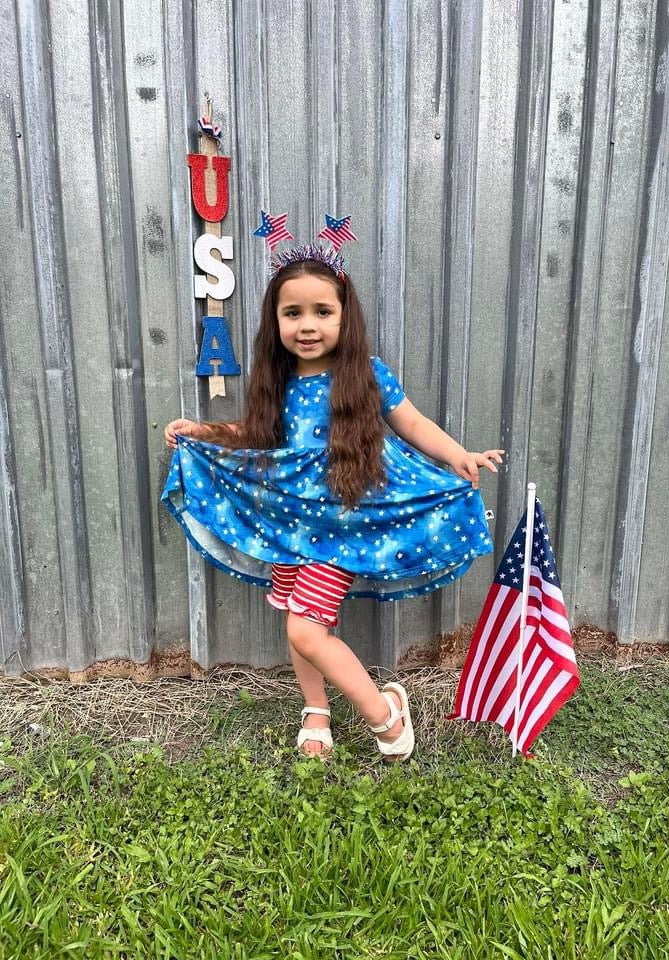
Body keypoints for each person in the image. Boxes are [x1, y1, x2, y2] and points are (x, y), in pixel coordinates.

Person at [162, 240, 503, 764]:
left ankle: (385, 712)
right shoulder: (276, 381)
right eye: (292, 312)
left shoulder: (364, 373)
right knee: (298, 624)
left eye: (322, 311)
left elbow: (409, 422)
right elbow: (255, 434)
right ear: (275, 319)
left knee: (306, 626)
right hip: (289, 522)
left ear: (345, 314)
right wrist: (204, 431)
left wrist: (458, 454)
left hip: (341, 523)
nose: (307, 325)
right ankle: (315, 709)